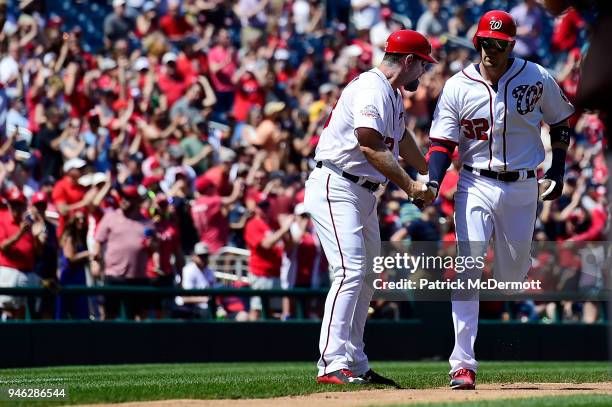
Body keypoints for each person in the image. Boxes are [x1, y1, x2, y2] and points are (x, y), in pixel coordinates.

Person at [425, 10, 575, 390]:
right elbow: (442, 142)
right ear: (477, 42)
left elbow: (561, 120)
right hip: (475, 183)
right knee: (468, 267)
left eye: (500, 43)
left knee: (510, 276)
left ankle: (515, 269)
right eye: (486, 42)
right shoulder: (458, 85)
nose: (492, 49)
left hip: (524, 185)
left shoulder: (536, 76)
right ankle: (462, 364)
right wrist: (433, 181)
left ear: (510, 45)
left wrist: (557, 170)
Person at [303, 29, 436, 385]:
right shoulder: (371, 87)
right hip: (338, 183)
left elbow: (401, 137)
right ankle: (331, 362)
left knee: (365, 278)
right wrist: (411, 186)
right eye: (422, 65)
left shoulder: (390, 94)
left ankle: (355, 361)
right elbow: (369, 144)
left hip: (362, 192)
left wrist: (428, 167)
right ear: (409, 61)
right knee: (349, 271)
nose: (423, 74)